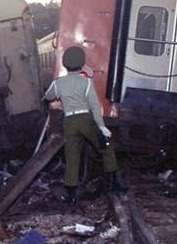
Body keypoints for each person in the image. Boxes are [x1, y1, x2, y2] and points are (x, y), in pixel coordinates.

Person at [43, 45, 120, 204]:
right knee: (105, 147)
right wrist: (102, 127)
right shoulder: (86, 82)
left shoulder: (59, 83)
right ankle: (113, 184)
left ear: (65, 63)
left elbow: (48, 96)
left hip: (69, 122)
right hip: (85, 120)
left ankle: (71, 196)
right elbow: (94, 106)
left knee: (72, 157)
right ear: (82, 63)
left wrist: (60, 99)